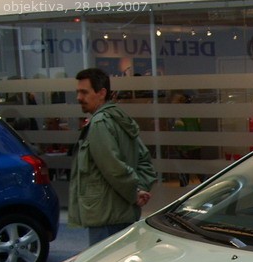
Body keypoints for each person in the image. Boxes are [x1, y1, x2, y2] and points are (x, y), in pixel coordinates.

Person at [68, 68, 156, 245]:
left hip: (106, 216)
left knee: (104, 261)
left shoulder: (100, 123)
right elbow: (144, 161)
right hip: (122, 213)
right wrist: (139, 189)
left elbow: (113, 168)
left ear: (101, 93)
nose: (79, 97)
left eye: (84, 92)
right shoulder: (119, 119)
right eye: (78, 92)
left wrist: (135, 193)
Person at [170, 91, 203, 187]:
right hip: (196, 144)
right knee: (198, 169)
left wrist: (181, 147)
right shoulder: (194, 113)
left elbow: (180, 132)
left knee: (184, 172)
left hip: (185, 146)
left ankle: (184, 191)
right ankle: (208, 184)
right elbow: (199, 127)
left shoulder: (179, 115)